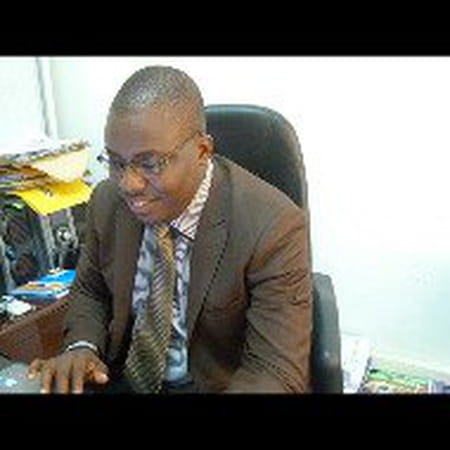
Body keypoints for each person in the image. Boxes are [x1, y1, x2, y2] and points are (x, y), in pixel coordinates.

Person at [27, 65, 313, 394]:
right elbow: (91, 290)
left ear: (203, 152)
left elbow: (274, 370)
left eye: (150, 164)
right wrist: (82, 347)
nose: (129, 184)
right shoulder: (107, 201)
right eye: (116, 162)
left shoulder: (273, 226)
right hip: (121, 379)